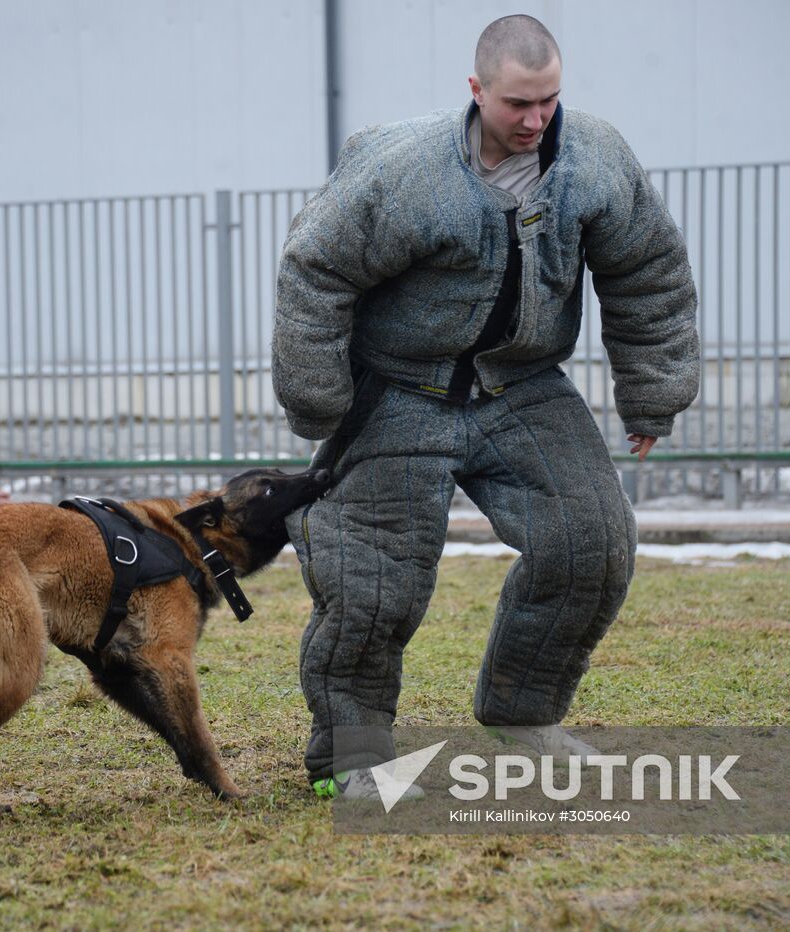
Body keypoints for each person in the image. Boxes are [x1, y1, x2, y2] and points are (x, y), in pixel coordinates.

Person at [272, 14, 700, 800]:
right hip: (397, 390)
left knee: (591, 543)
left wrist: (654, 391)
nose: (536, 120)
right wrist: (320, 403)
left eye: (549, 101)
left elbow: (649, 274)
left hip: (522, 386)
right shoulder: (405, 171)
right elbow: (314, 272)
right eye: (517, 105)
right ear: (476, 91)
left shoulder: (596, 160)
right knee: (371, 586)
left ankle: (523, 714)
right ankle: (353, 756)